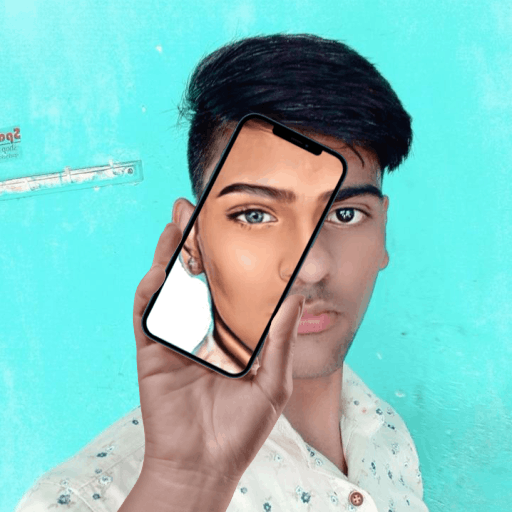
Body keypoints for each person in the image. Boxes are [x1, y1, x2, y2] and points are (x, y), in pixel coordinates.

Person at [15, 34, 429, 512]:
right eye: (256, 215)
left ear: (383, 232)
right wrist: (185, 483)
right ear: (193, 242)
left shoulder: (386, 432)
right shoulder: (84, 499)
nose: (312, 266)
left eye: (345, 214)